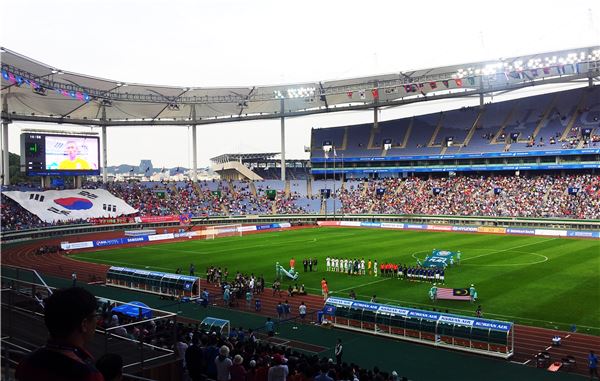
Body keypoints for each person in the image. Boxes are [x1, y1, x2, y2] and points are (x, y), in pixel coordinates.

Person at [16, 287, 104, 381]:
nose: (97, 320)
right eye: (96, 316)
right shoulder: (90, 376)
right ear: (84, 324)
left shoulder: (26, 363)